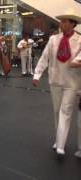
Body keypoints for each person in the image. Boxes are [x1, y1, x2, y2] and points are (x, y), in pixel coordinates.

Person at [33, 11, 81, 156]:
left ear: (73, 24)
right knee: (56, 111)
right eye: (61, 21)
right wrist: (37, 74)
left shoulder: (80, 40)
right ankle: (58, 139)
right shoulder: (53, 39)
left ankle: (60, 145)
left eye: (65, 21)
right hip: (55, 80)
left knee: (65, 111)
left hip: (72, 82)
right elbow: (44, 57)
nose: (62, 24)